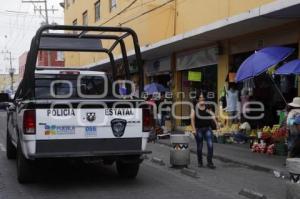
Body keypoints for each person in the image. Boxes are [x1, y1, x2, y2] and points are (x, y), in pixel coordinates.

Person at [191, 94, 218, 169]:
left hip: (207, 129)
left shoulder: (207, 107)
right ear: (197, 99)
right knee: (199, 146)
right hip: (198, 129)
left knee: (210, 145)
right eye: (200, 97)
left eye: (203, 97)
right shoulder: (194, 108)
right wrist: (193, 129)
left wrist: (217, 124)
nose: (202, 99)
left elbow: (212, 115)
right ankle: (200, 161)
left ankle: (210, 162)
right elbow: (192, 120)